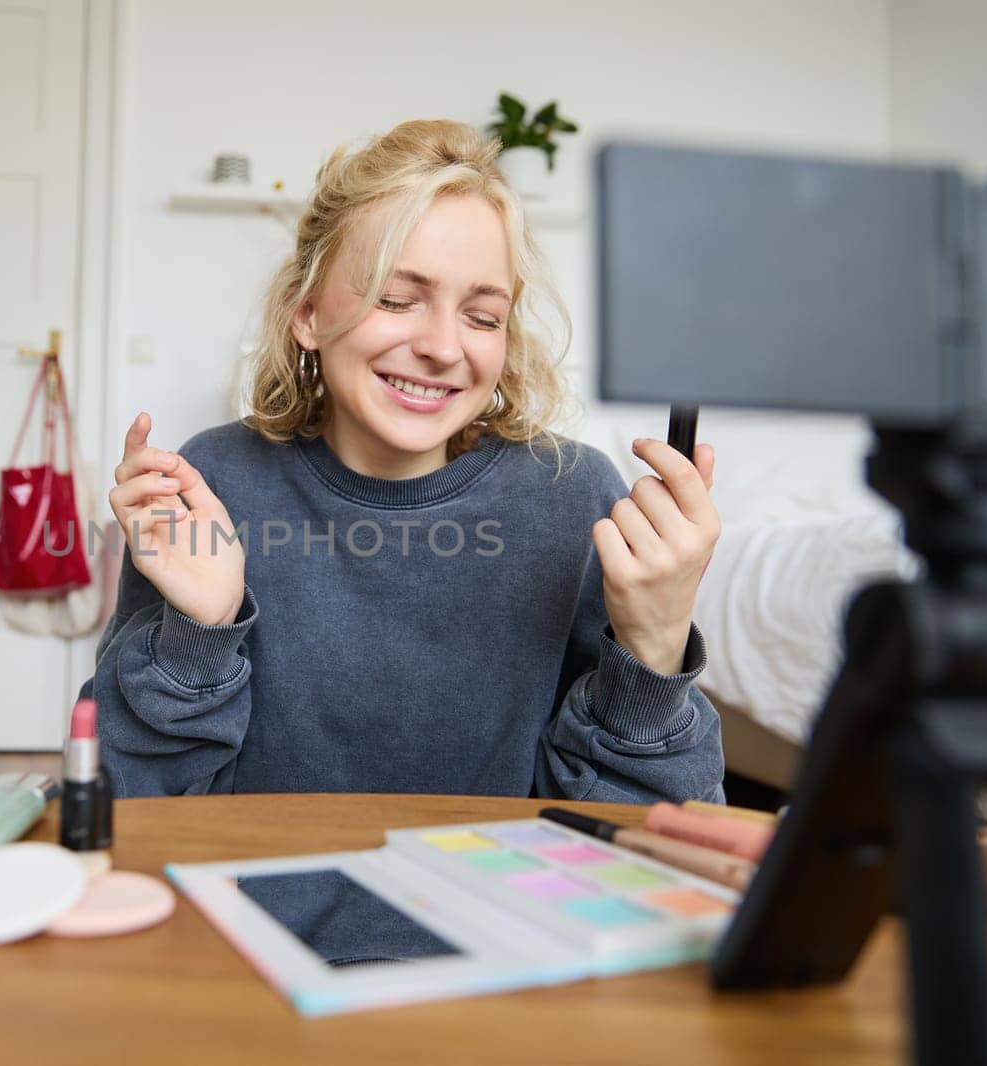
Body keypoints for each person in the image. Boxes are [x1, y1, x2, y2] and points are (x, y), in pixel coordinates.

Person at [78, 119, 724, 802]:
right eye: (395, 299)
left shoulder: (575, 496)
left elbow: (649, 839)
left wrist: (654, 650)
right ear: (306, 311)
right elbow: (127, 806)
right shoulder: (216, 483)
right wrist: (199, 636)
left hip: (492, 903)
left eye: (482, 316)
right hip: (248, 903)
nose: (444, 348)